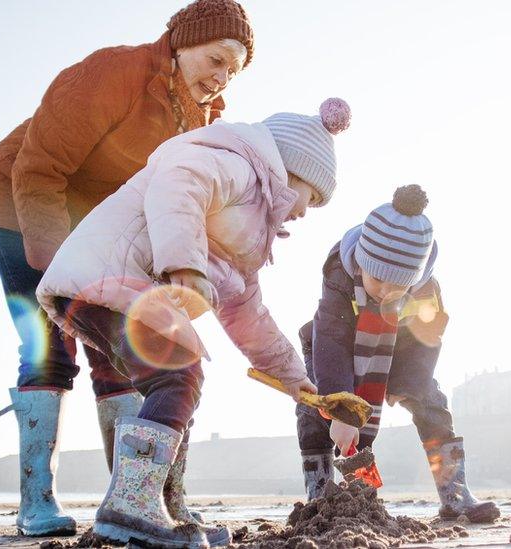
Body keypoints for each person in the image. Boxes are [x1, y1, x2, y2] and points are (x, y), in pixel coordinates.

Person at [0, 0, 255, 537]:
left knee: (127, 349)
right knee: (50, 342)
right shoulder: (113, 73)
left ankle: (134, 499)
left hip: (101, 226)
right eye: (216, 59)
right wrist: (58, 272)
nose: (221, 78)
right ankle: (37, 501)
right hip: (22, 205)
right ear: (182, 41)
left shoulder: (201, 118)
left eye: (233, 70)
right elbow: (38, 169)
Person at [36, 99, 352, 547]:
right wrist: (185, 265)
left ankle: (161, 505)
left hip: (116, 289)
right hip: (107, 276)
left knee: (181, 383)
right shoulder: (238, 167)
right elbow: (178, 184)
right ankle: (131, 504)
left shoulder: (247, 236)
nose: (305, 211)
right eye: (311, 197)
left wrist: (298, 383)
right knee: (178, 374)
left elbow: (249, 317)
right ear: (292, 171)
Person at [295, 185, 501, 523]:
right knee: (315, 411)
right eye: (378, 281)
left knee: (431, 403)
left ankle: (455, 494)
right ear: (361, 263)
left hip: (399, 353)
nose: (387, 292)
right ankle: (322, 495)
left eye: (399, 286)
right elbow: (331, 339)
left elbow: (428, 338)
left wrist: (409, 383)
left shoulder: (425, 291)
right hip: (332, 353)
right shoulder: (339, 278)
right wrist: (343, 410)